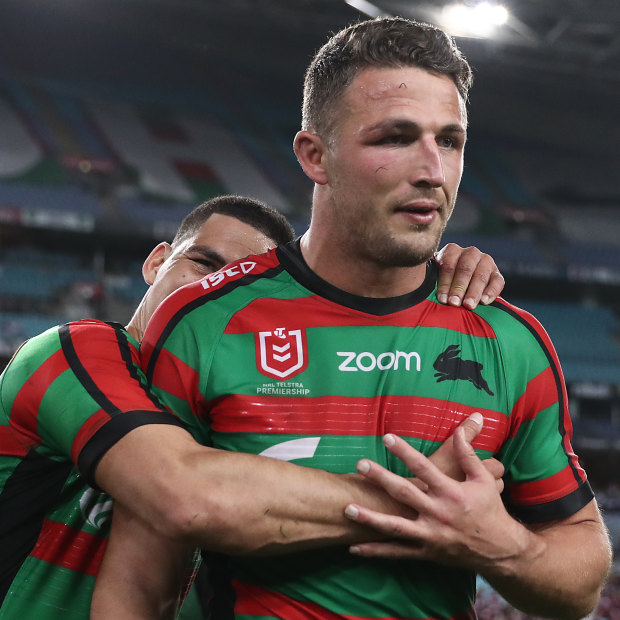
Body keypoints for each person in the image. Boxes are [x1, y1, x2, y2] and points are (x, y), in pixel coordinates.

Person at [95, 16, 611, 620]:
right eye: (394, 137)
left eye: (450, 141)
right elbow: (138, 586)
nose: (432, 171)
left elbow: (580, 581)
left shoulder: (509, 342)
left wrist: (504, 548)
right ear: (316, 155)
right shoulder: (205, 322)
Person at [0, 192, 504, 619]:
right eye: (203, 264)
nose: (209, 292)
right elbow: (184, 494)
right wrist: (416, 502)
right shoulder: (69, 352)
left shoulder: (248, 404)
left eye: (238, 283)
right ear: (157, 262)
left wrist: (432, 276)